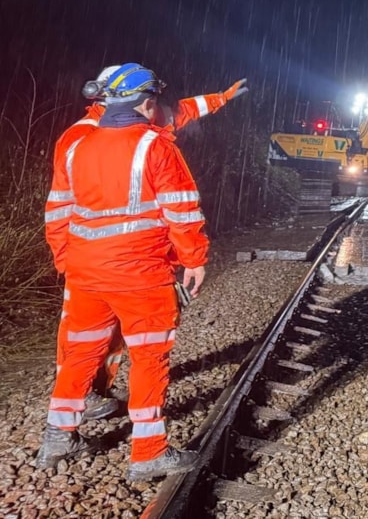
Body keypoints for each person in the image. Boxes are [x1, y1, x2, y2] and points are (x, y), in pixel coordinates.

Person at [36, 63, 211, 480]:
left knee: (80, 354)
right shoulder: (156, 146)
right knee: (149, 357)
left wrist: (67, 260)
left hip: (84, 273)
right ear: (147, 104)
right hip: (141, 274)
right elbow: (183, 212)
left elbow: (57, 211)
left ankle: (58, 438)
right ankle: (148, 451)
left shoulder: (77, 144)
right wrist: (195, 260)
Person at [45, 65, 247, 423]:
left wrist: (221, 99)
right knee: (118, 346)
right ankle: (100, 404)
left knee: (92, 340)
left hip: (93, 261)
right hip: (120, 264)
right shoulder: (91, 140)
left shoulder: (118, 127)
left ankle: (71, 417)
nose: (160, 112)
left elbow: (179, 111)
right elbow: (61, 209)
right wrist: (66, 262)